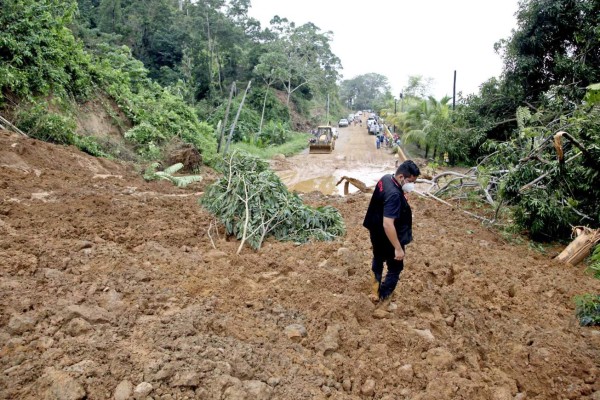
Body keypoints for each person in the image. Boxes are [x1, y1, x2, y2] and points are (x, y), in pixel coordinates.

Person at [362, 160, 420, 304]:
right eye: (411, 181)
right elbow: (388, 224)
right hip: (388, 235)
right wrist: (398, 248)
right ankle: (384, 295)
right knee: (395, 267)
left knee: (378, 257)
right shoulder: (394, 195)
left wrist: (402, 195)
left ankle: (374, 289)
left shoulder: (386, 178)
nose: (412, 185)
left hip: (375, 230)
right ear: (401, 177)